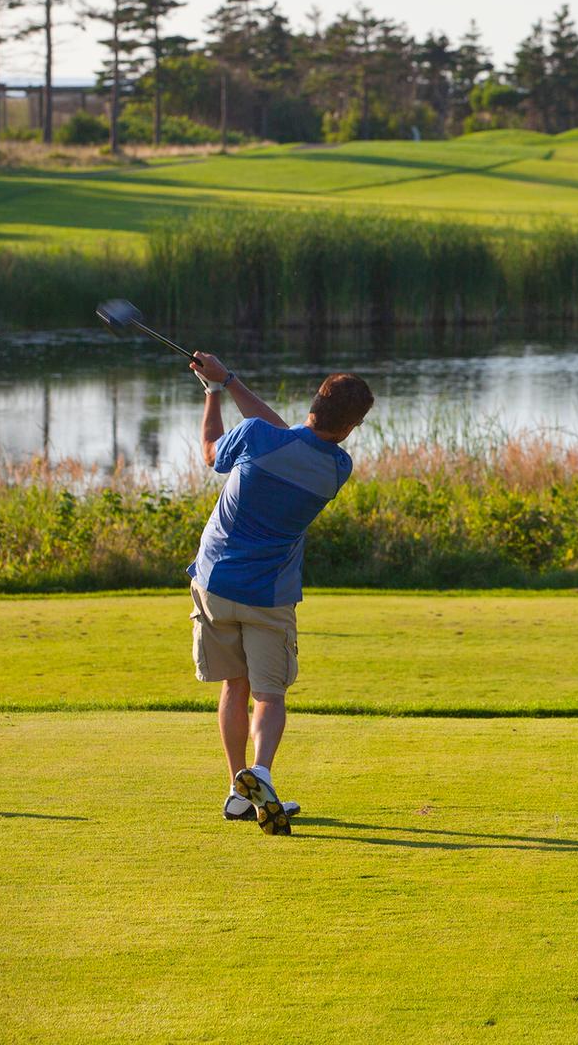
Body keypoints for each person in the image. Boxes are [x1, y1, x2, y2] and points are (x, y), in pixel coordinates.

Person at [186, 352, 374, 835]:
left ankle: (237, 790)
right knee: (269, 694)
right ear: (350, 428)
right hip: (268, 594)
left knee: (234, 686)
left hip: (213, 581)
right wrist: (229, 379)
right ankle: (261, 774)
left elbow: (211, 451)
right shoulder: (337, 468)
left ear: (313, 403)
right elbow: (288, 437)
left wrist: (214, 393)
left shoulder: (257, 440)